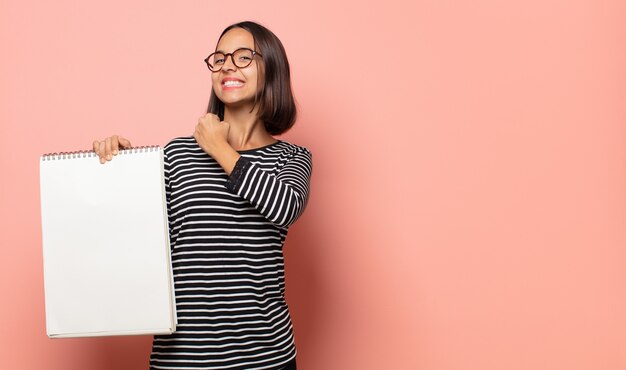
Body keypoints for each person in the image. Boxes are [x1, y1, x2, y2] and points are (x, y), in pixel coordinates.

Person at [93, 21, 312, 370]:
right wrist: (119, 170)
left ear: (271, 69)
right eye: (220, 58)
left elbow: (284, 207)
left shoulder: (291, 158)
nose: (227, 65)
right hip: (184, 358)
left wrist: (218, 148)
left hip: (266, 355)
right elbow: (133, 238)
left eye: (243, 57)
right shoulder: (176, 155)